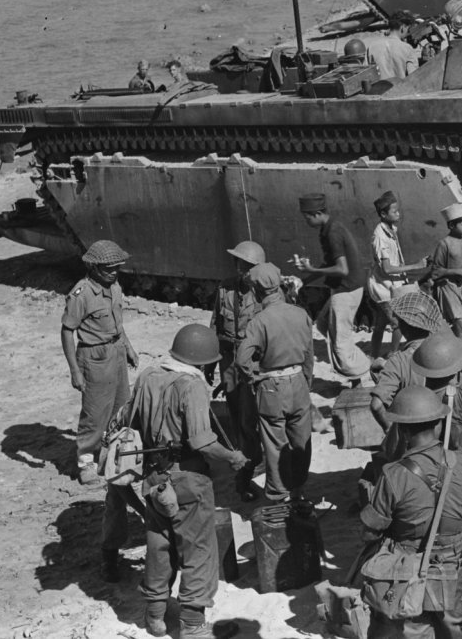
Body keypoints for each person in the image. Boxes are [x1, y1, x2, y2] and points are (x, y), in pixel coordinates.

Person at [127, 324, 248, 638]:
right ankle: (193, 625)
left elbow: (129, 421)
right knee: (198, 550)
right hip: (187, 480)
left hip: (153, 476)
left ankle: (155, 616)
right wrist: (232, 457)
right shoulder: (192, 385)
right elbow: (202, 442)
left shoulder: (147, 376)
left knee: (159, 544)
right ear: (203, 361)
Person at [360, 386, 462, 639]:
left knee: (412, 631)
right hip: (452, 572)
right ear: (439, 425)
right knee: (454, 631)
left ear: (402, 430)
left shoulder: (393, 475)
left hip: (407, 577)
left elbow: (369, 532)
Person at [235, 263, 316, 504]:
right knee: (301, 442)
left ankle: (279, 498)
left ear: (256, 292)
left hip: (271, 388)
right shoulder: (300, 314)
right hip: (299, 384)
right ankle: (298, 491)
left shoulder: (259, 321)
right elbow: (309, 355)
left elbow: (241, 360)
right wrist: (305, 382)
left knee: (275, 446)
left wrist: (254, 377)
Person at [61, 239, 139, 486]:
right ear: (94, 267)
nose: (114, 272)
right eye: (109, 268)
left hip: (116, 352)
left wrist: (128, 347)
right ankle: (86, 463)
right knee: (95, 413)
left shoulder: (114, 286)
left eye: (117, 267)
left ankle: (112, 455)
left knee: (121, 407)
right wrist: (75, 370)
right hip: (93, 357)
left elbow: (117, 324)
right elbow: (67, 331)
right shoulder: (81, 294)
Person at [292, 193, 372, 384]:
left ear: (317, 214)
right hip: (345, 288)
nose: (306, 221)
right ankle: (361, 366)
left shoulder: (333, 233)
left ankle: (361, 375)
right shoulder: (330, 227)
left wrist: (312, 269)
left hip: (346, 290)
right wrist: (306, 279)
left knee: (340, 343)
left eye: (307, 217)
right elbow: (331, 263)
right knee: (323, 324)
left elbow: (342, 269)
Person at [211, 240, 265, 497]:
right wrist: (211, 361)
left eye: (247, 267)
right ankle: (245, 454)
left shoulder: (264, 292)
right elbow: (215, 324)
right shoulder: (225, 288)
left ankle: (252, 461)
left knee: (250, 414)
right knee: (234, 409)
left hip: (253, 361)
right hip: (229, 359)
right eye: (239, 265)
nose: (242, 271)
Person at [370, 292, 451, 429]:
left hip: (414, 432)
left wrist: (390, 432)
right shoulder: (447, 350)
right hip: (446, 425)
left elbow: (376, 405)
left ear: (404, 326)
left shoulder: (398, 362)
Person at [367, 191, 427, 357]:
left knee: (380, 324)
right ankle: (393, 355)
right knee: (398, 324)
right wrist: (416, 266)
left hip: (391, 285)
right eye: (394, 211)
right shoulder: (380, 237)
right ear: (383, 214)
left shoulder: (391, 229)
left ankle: (373, 355)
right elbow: (387, 269)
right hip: (385, 287)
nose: (398, 213)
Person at [426, 203, 462, 339]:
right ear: (451, 226)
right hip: (448, 287)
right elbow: (435, 272)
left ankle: (453, 346)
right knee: (460, 325)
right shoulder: (444, 244)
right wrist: (458, 271)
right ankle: (461, 350)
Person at [372, 15, 420, 80]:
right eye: (408, 29)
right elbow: (413, 77)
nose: (408, 32)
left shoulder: (372, 46)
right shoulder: (407, 49)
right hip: (400, 86)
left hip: (377, 86)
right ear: (403, 27)